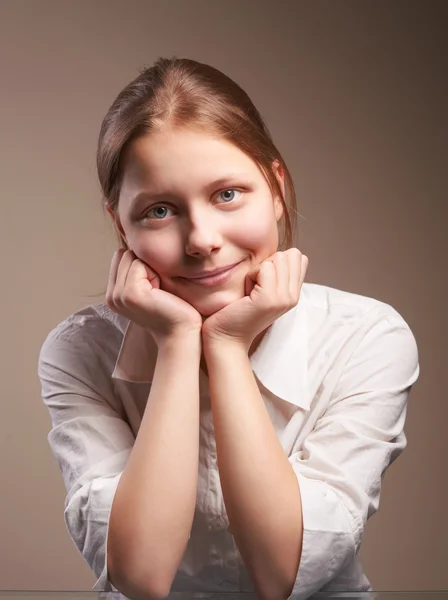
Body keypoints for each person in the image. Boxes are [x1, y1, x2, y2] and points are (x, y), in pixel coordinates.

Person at [37, 57, 419, 600]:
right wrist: (175, 344)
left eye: (227, 195)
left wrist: (226, 346)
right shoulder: (80, 350)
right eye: (160, 210)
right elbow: (141, 577)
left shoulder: (368, 336)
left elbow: (281, 575)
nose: (201, 239)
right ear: (119, 224)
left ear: (277, 187)